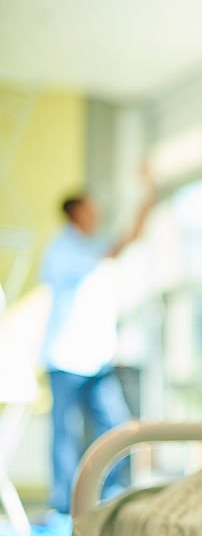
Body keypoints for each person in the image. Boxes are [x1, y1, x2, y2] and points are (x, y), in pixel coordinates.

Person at [41, 170, 155, 518]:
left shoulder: (91, 247)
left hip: (97, 359)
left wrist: (148, 196)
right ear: (75, 213)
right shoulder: (62, 251)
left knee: (116, 426)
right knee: (65, 434)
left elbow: (128, 240)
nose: (97, 214)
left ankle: (112, 497)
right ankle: (62, 507)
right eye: (91, 209)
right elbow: (120, 244)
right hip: (65, 358)